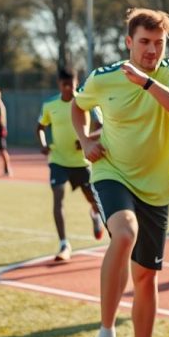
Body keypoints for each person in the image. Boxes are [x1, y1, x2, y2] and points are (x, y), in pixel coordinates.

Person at [72, 8, 169, 337]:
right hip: (113, 171)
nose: (152, 50)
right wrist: (85, 140)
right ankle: (106, 336)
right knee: (124, 233)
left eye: (159, 43)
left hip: (157, 186)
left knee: (146, 279)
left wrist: (145, 83)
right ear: (129, 41)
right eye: (144, 42)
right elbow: (78, 106)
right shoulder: (104, 77)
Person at [37, 67, 106, 261]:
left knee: (93, 200)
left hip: (81, 162)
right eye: (64, 84)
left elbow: (101, 127)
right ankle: (64, 244)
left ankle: (95, 215)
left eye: (72, 84)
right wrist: (43, 144)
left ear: (76, 83)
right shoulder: (49, 105)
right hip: (58, 160)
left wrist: (86, 138)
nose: (68, 88)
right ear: (59, 84)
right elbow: (40, 127)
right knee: (58, 197)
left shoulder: (86, 101)